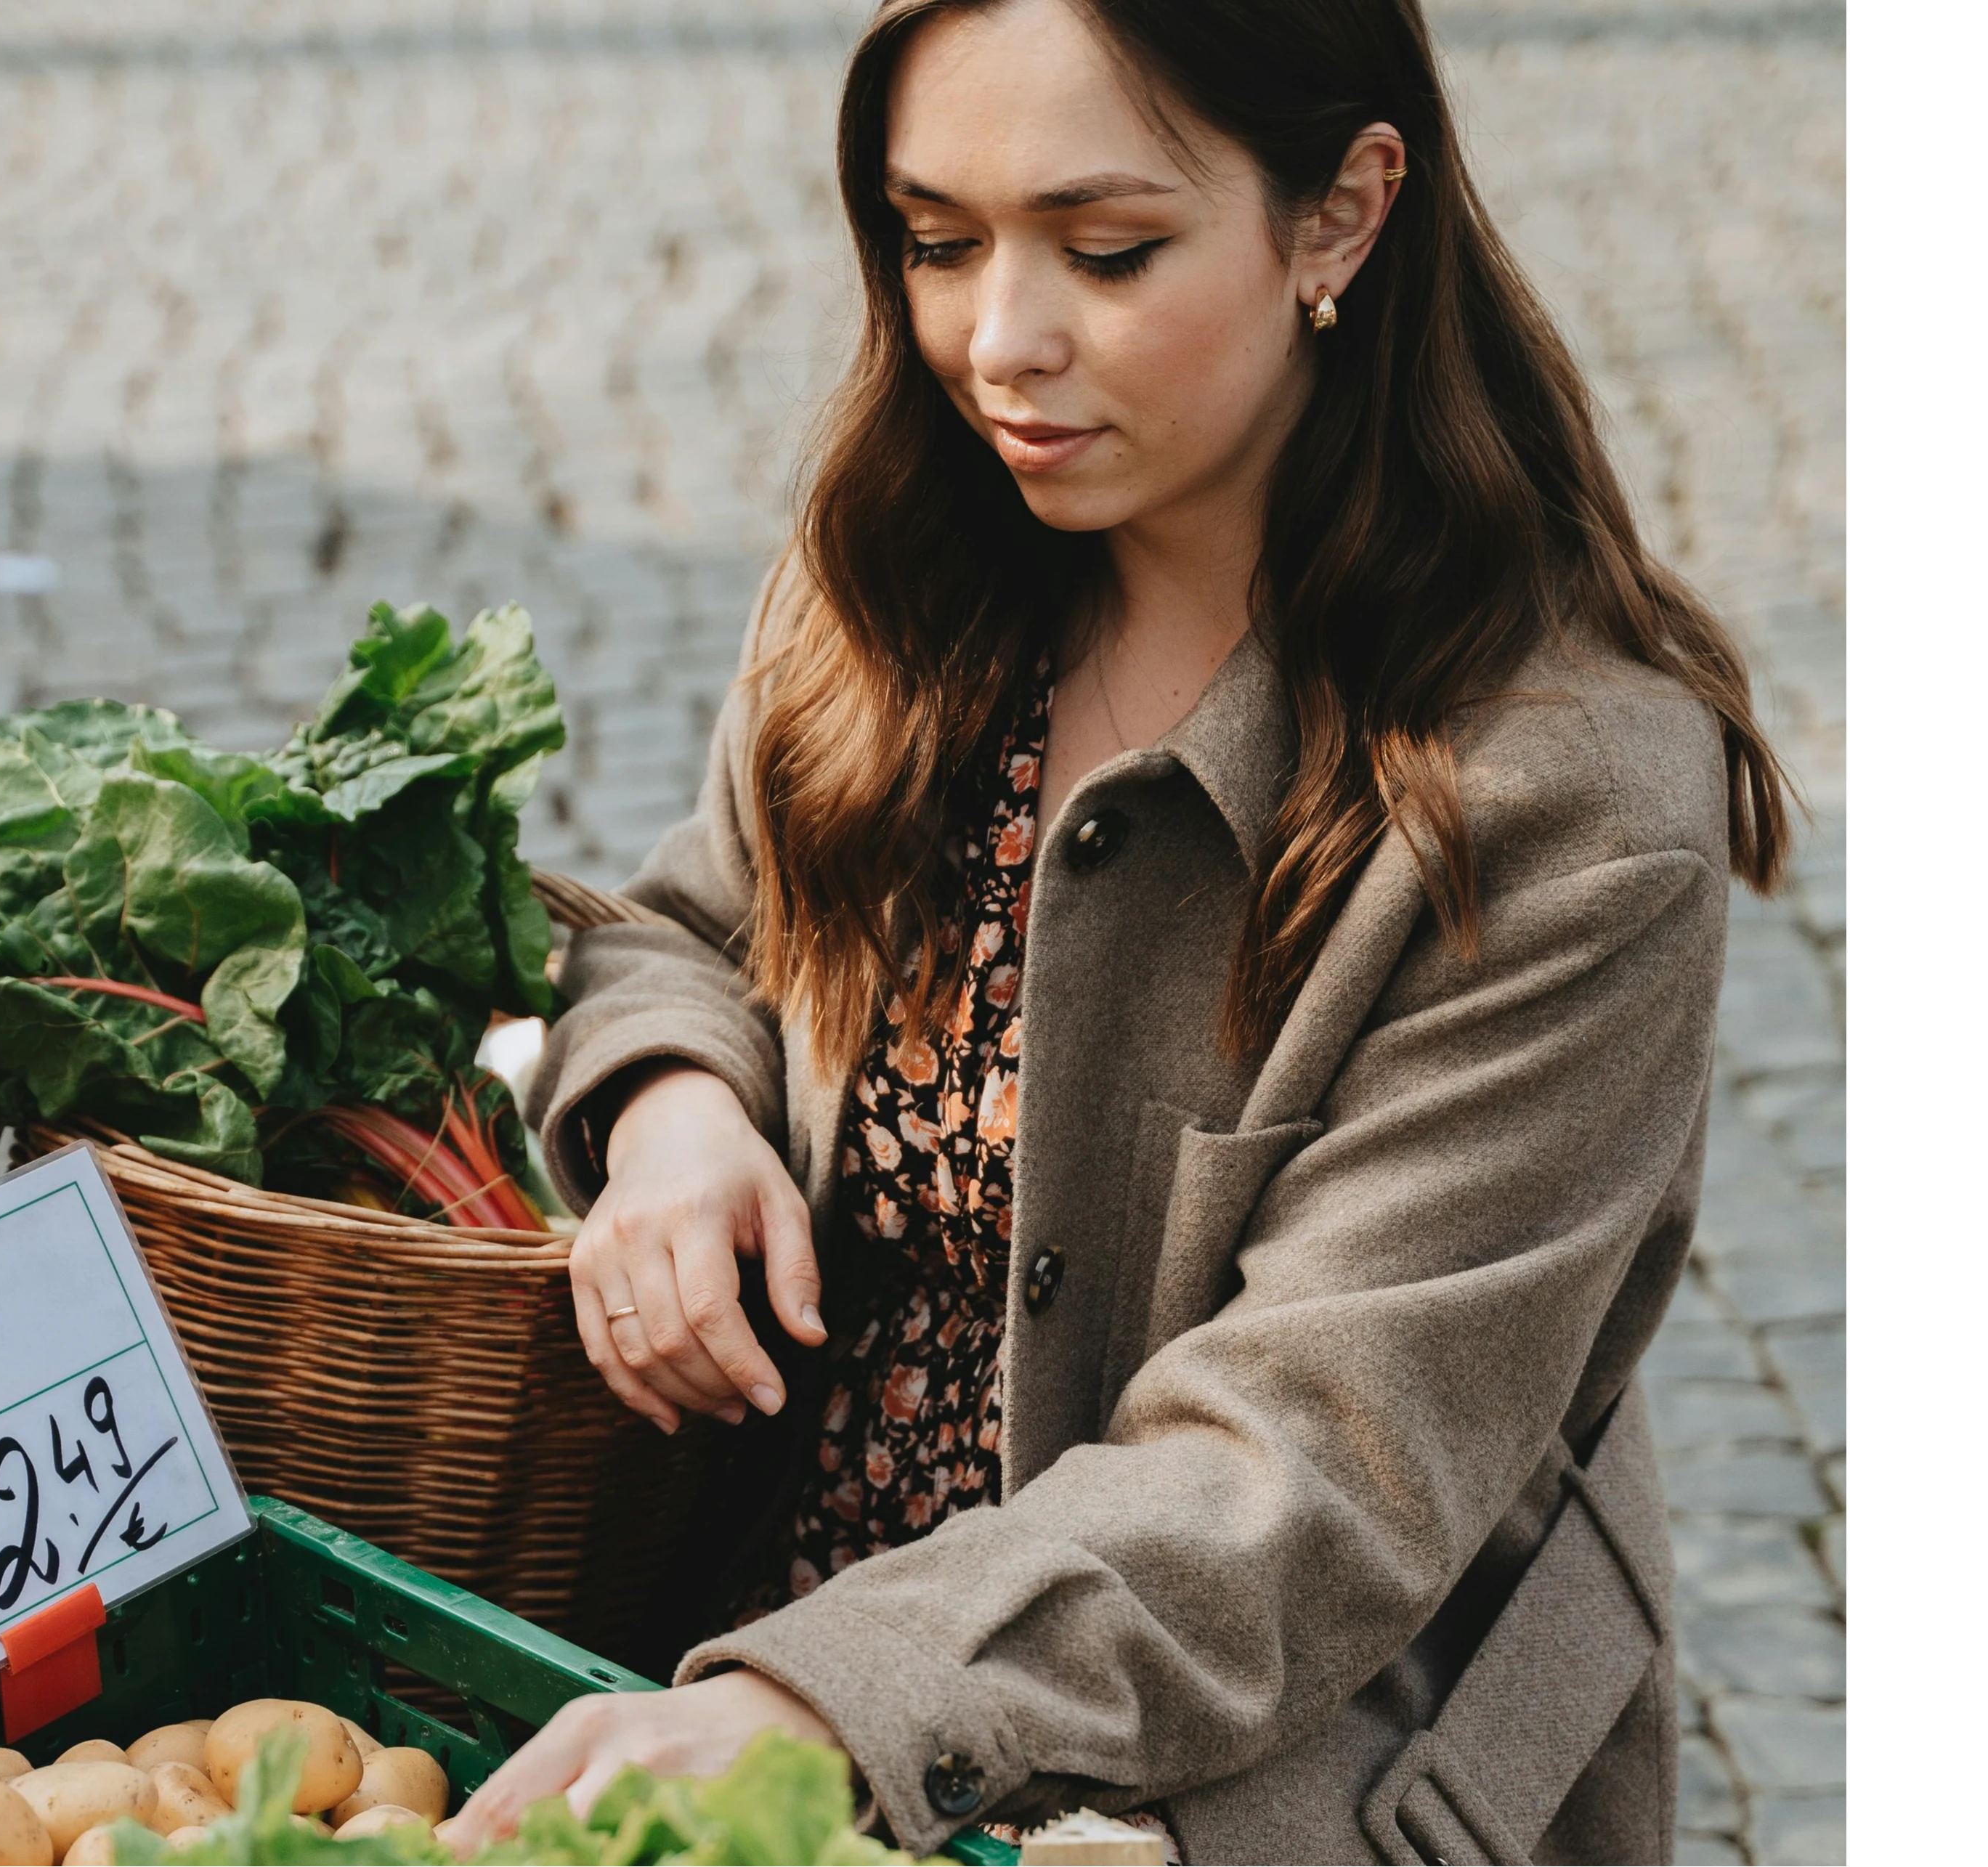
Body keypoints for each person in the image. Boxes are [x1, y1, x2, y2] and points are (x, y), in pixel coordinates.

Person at [435, 1, 1793, 1861]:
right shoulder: (902, 575)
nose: (998, 343)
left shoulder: (1569, 800)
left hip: (1248, 1762)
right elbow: (683, 926)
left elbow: (1320, 1462)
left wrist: (819, 1705)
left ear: (1341, 213)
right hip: (753, 1665)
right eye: (936, 242)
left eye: (1108, 250)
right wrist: (671, 1106)